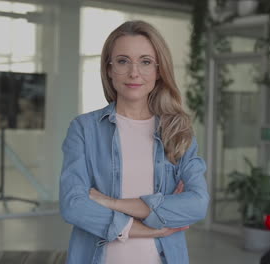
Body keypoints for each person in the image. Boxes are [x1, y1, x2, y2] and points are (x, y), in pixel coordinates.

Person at [60, 20, 209, 264]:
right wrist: (151, 228)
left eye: (145, 61)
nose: (134, 72)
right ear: (109, 68)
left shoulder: (178, 131)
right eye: (122, 61)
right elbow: (73, 205)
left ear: (159, 71)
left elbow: (197, 204)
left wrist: (111, 202)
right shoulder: (84, 129)